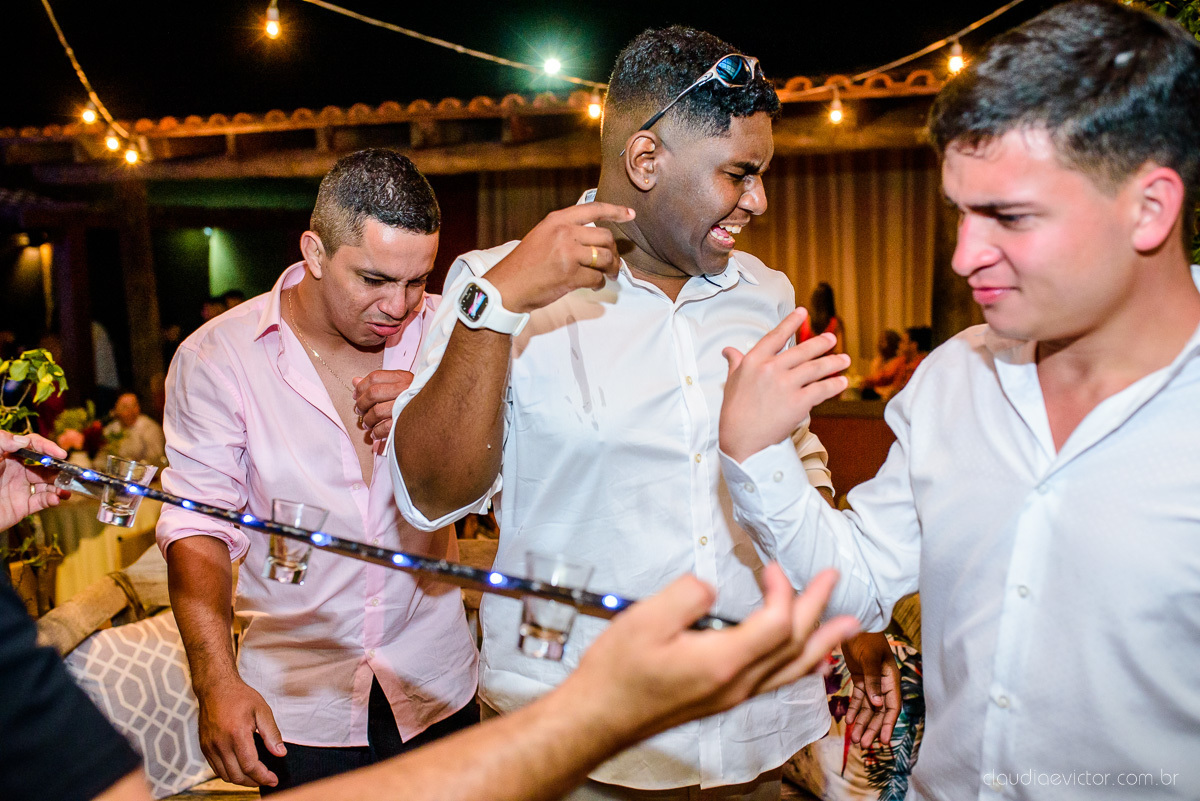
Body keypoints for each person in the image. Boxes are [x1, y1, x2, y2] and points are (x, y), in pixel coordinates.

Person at [381, 26, 889, 800]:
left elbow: (796, 458)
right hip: (573, 741)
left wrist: (850, 610)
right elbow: (431, 493)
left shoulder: (766, 293)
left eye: (763, 174)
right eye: (739, 174)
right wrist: (500, 308)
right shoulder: (493, 283)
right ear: (645, 161)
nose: (759, 199)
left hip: (754, 729)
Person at [717, 2, 1200, 798]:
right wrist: (753, 451)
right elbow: (858, 580)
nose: (966, 257)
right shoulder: (952, 379)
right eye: (962, 214)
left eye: (1009, 217)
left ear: (1148, 209)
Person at [156, 149, 478, 793]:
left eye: (417, 281)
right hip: (297, 708)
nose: (400, 305)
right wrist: (216, 679)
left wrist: (436, 409)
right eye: (374, 279)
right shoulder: (217, 357)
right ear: (314, 252)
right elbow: (198, 525)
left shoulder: (452, 335)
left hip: (438, 683)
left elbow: (505, 464)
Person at [101, 391, 166, 468]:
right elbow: (102, 457)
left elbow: (155, 459)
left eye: (134, 406)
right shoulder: (111, 429)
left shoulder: (150, 428)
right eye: (125, 407)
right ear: (116, 410)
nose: (130, 411)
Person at [798, 282, 844, 354]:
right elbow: (840, 352)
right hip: (828, 364)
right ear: (830, 301)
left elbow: (795, 347)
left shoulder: (803, 321)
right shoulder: (836, 323)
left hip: (805, 363)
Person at [859, 329, 905, 400]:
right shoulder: (877, 361)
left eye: (882, 342)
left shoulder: (899, 361)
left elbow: (882, 377)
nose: (879, 345)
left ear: (892, 343)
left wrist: (868, 381)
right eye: (879, 342)